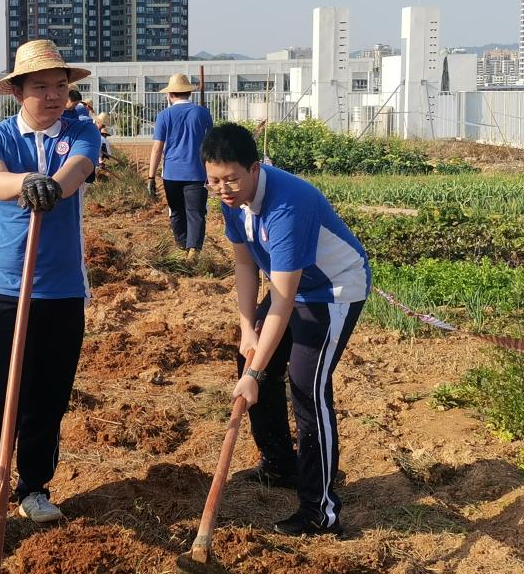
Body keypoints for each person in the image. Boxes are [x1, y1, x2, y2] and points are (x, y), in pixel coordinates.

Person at [0, 39, 101, 551]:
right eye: (41, 87)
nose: (55, 95)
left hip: (62, 289)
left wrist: (53, 185)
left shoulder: (81, 131)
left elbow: (78, 169)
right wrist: (25, 183)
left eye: (61, 86)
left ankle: (34, 487)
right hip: (4, 288)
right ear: (17, 91)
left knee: (48, 397)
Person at [202, 124, 369, 537]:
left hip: (331, 290)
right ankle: (279, 465)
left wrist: (255, 374)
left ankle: (320, 509)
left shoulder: (287, 205)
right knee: (251, 356)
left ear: (255, 168)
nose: (222, 188)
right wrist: (247, 332)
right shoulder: (231, 198)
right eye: (213, 180)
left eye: (231, 179)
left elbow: (283, 299)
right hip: (288, 287)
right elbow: (244, 263)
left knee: (306, 388)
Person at [147, 73, 214, 260]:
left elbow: (157, 149)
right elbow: (211, 144)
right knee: (196, 212)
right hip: (197, 172)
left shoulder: (164, 116)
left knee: (176, 210)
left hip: (171, 174)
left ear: (170, 95)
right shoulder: (202, 113)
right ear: (189, 93)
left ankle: (181, 245)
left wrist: (151, 177)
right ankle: (194, 250)